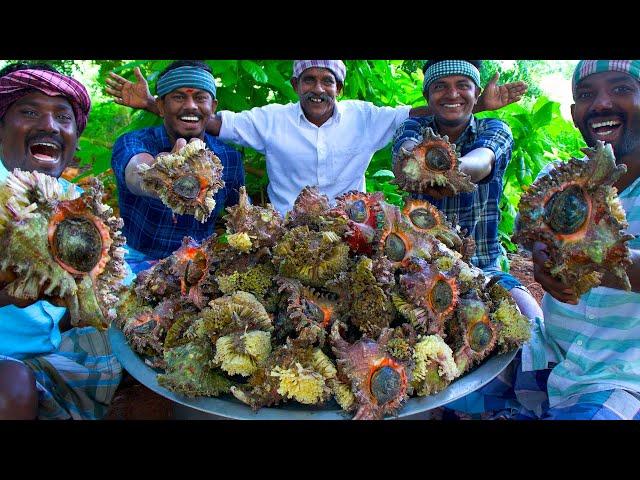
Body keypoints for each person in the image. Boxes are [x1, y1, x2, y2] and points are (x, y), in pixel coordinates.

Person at [105, 60, 526, 216]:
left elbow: (427, 110)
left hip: (353, 224)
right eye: (309, 79)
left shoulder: (365, 117)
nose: (318, 88)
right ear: (296, 83)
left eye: (327, 80)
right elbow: (209, 122)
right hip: (287, 229)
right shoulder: (271, 120)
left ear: (338, 86)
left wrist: (476, 107)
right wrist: (153, 106)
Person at [516, 60, 640, 419]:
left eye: (621, 89)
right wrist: (542, 251)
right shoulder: (556, 178)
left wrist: (587, 258)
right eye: (587, 95)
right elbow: (528, 228)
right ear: (574, 114)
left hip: (621, 376)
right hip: (550, 354)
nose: (602, 104)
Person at [0, 62, 123, 419]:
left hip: (51, 349)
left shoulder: (76, 201)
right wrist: (11, 290)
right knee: (10, 389)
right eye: (29, 111)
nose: (49, 125)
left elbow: (106, 292)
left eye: (63, 117)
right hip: (7, 365)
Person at [392, 60, 542, 321]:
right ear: (427, 97)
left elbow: (482, 162)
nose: (452, 94)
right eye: (440, 86)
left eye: (463, 85)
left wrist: (442, 171)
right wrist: (418, 166)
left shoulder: (494, 129)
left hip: (482, 269)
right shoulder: (412, 127)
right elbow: (407, 153)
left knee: (530, 317)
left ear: (477, 93)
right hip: (419, 266)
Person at [110, 60, 245, 273]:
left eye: (200, 97)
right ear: (161, 106)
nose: (191, 105)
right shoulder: (133, 142)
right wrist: (164, 173)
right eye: (178, 97)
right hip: (133, 263)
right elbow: (136, 171)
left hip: (196, 267)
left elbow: (240, 215)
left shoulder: (229, 157)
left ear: (213, 108)